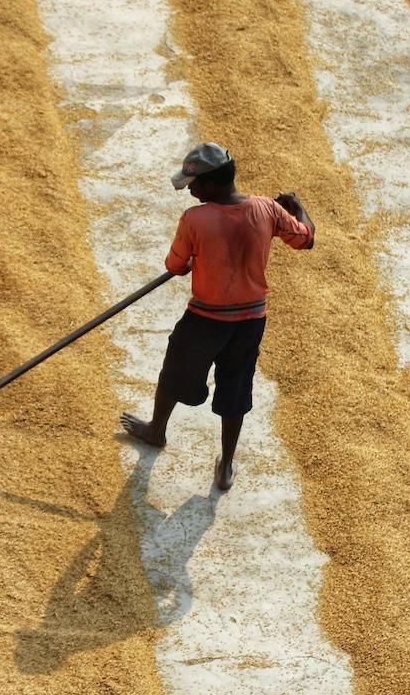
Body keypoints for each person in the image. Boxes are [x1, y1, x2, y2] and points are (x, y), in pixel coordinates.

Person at [121, 142, 314, 491]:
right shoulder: (267, 209)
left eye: (193, 185)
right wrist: (297, 207)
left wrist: (196, 257)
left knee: (175, 372)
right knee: (236, 387)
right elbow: (305, 239)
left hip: (206, 318)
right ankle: (225, 465)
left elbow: (175, 266)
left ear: (210, 184)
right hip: (250, 322)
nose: (190, 190)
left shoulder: (195, 219)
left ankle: (157, 430)